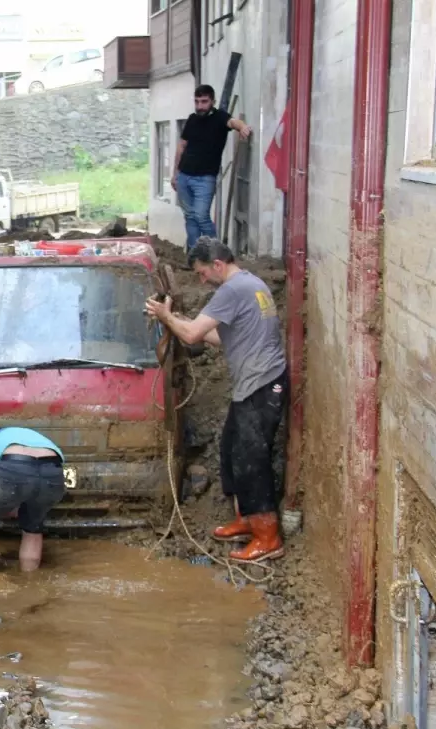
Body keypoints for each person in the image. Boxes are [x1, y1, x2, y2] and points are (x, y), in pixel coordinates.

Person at [144, 237, 288, 562]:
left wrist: (168, 319)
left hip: (262, 385)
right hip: (254, 384)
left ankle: (268, 538)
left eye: (202, 272)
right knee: (231, 450)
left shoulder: (233, 290)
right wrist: (178, 320)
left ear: (218, 265)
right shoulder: (250, 285)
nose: (202, 280)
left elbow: (194, 336)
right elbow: (216, 338)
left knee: (252, 460)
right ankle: (247, 519)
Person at [0, 426, 67, 577]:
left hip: (14, 466)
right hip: (54, 471)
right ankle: (29, 579)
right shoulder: (17, 437)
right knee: (32, 527)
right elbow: (30, 481)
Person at [173, 84, 252, 250]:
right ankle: (194, 256)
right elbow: (181, 146)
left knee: (201, 216)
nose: (200, 106)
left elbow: (233, 122)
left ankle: (216, 254)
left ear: (212, 101)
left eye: (204, 101)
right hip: (184, 177)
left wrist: (243, 127)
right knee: (190, 217)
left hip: (205, 179)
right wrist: (175, 174)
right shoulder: (192, 120)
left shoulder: (220, 117)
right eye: (197, 102)